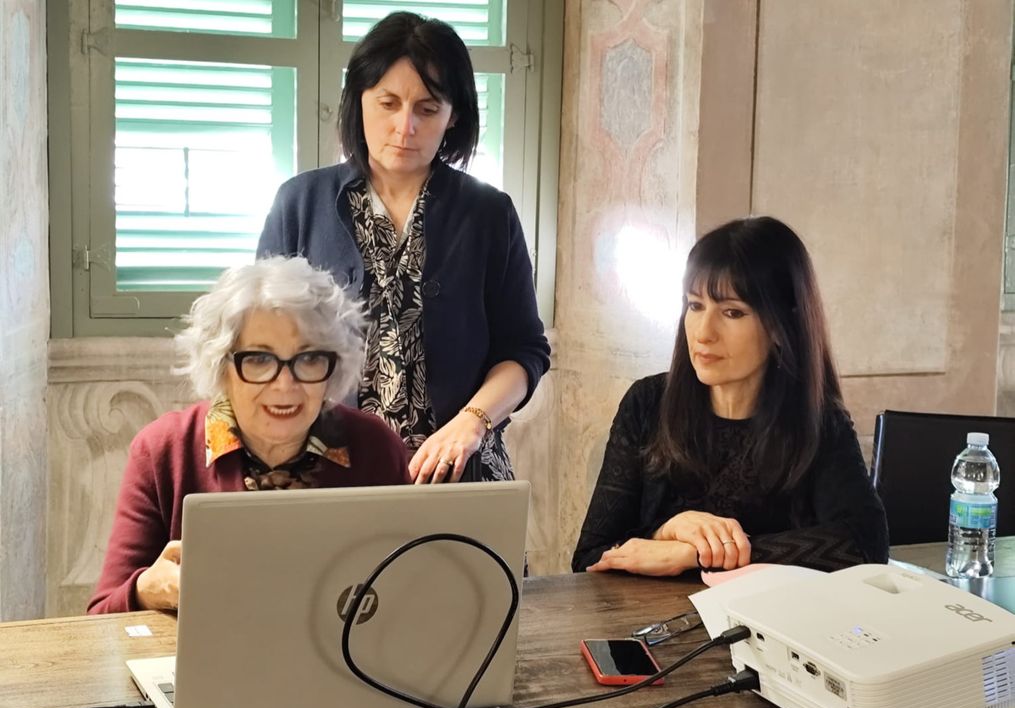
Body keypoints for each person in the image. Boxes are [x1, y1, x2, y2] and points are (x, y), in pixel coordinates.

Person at [257, 12, 550, 485]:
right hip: (325, 472)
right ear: (358, 100)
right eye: (388, 103)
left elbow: (525, 350)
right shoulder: (299, 203)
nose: (405, 126)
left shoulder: (489, 213)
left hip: (461, 468)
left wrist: (472, 422)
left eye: (427, 109)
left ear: (454, 116)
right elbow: (262, 345)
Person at [88, 257, 409, 614]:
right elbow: (101, 617)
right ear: (222, 366)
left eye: (308, 359)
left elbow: (414, 594)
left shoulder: (375, 447)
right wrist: (145, 590)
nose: (284, 385)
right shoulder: (163, 449)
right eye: (259, 359)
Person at [572, 216, 889, 576]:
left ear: (780, 326)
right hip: (646, 614)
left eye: (732, 312)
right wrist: (666, 533)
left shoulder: (817, 421)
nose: (704, 333)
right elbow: (589, 559)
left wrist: (703, 553)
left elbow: (866, 543)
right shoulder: (647, 403)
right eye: (695, 306)